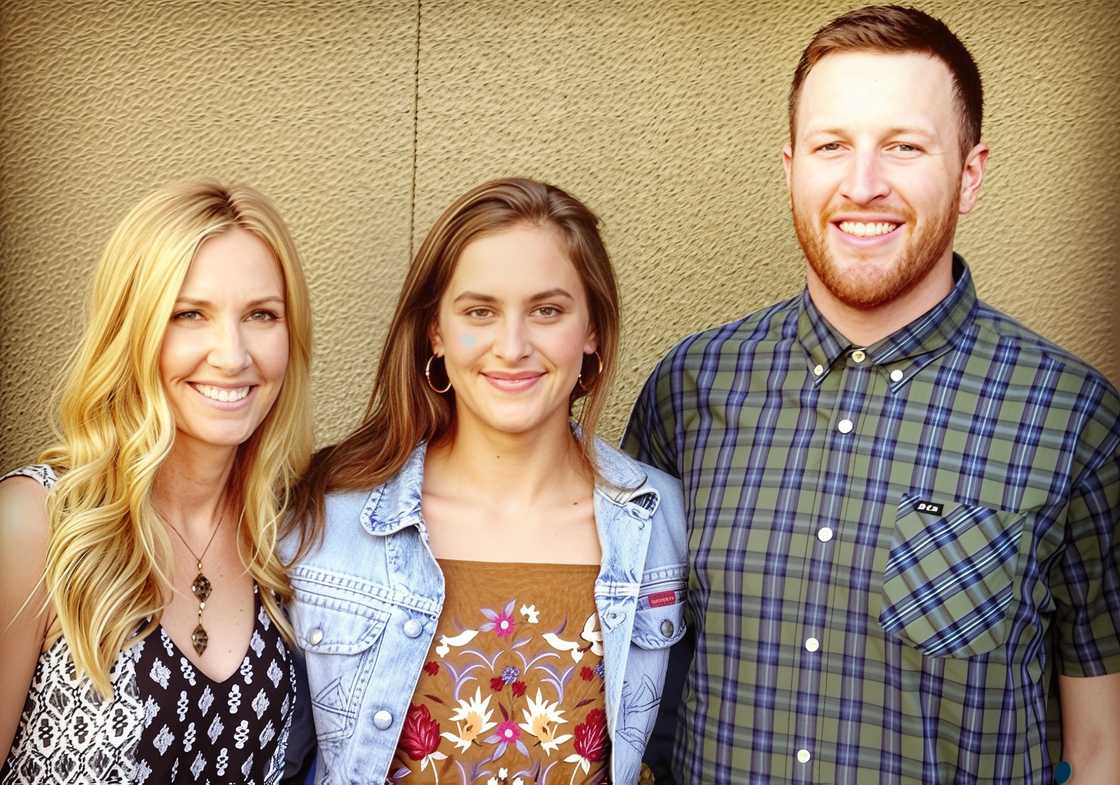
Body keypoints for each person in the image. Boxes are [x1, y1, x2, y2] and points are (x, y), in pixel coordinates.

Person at [625, 5, 1120, 784]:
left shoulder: (1072, 417)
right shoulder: (688, 391)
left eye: (904, 146)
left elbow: (1100, 747)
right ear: (791, 168)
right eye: (833, 146)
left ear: (970, 174)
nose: (862, 185)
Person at [282, 177, 687, 784]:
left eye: (547, 311)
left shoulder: (663, 525)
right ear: (436, 332)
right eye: (479, 312)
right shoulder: (325, 520)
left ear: (593, 330)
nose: (512, 346)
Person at [0, 180, 314, 784]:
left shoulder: (288, 536)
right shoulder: (38, 523)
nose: (232, 355)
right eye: (189, 314)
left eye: (262, 315)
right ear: (133, 329)